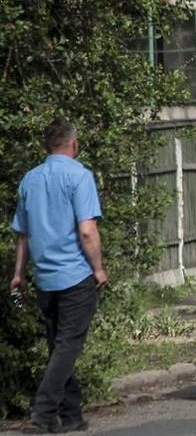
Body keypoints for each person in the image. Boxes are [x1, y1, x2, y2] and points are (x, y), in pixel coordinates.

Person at [10, 120, 106, 433]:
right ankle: (43, 412)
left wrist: (18, 274)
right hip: (75, 276)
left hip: (44, 279)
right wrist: (99, 269)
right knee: (67, 347)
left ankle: (72, 416)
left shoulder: (29, 180)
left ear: (46, 147)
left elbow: (22, 234)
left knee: (59, 347)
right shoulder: (80, 176)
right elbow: (87, 230)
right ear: (74, 145)